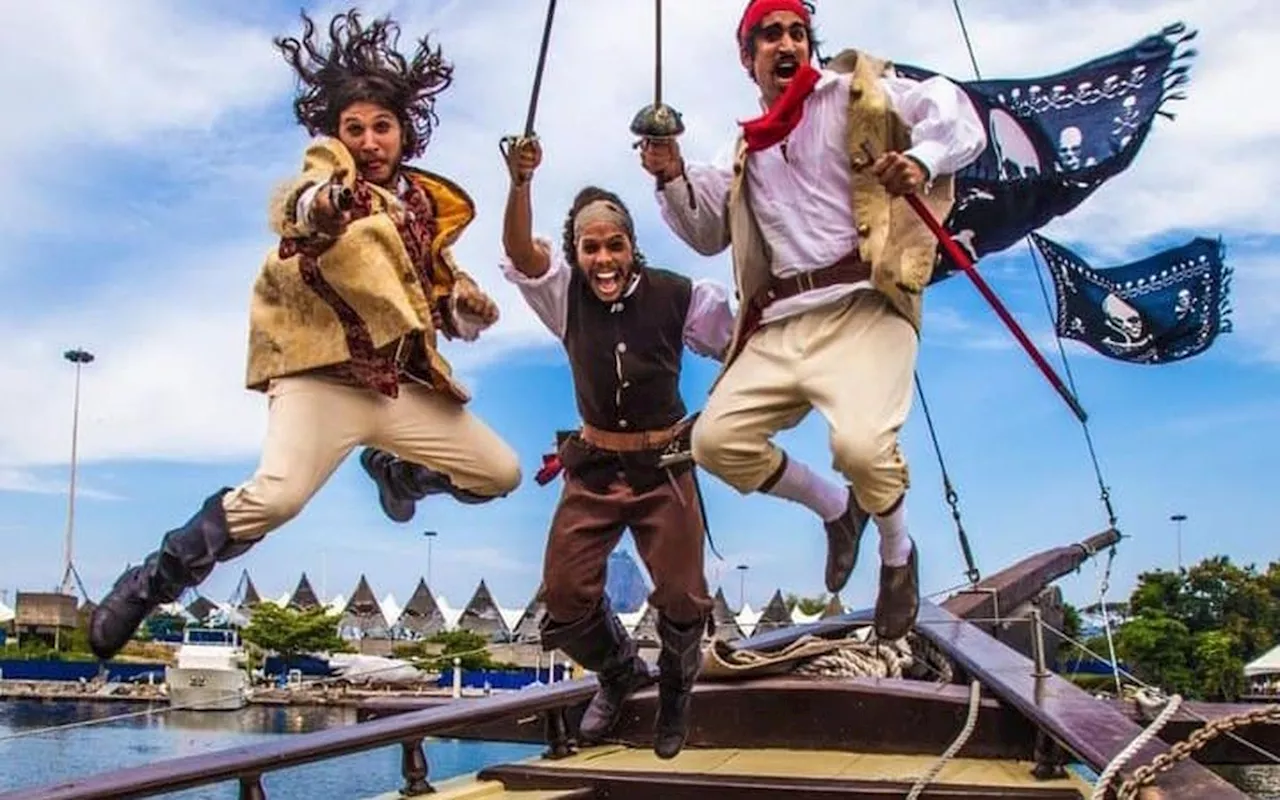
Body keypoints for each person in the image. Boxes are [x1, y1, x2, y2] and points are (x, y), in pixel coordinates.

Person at [87, 9, 521, 661]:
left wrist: (467, 308)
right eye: (356, 130)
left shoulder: (425, 213)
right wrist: (327, 204)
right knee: (278, 499)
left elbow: (439, 307)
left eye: (383, 127)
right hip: (322, 380)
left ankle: (397, 477)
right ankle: (154, 579)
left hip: (396, 388)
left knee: (500, 471)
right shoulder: (328, 179)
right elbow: (299, 209)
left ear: (405, 133)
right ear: (337, 136)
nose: (371, 141)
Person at [638, 0, 987, 641]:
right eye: (770, 36)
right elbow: (705, 230)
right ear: (749, 60)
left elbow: (956, 114)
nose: (787, 44)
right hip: (779, 324)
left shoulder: (859, 96)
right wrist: (672, 176)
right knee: (715, 444)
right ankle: (834, 509)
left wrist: (925, 160)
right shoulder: (742, 145)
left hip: (863, 307)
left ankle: (896, 554)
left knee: (860, 447)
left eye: (797, 32)